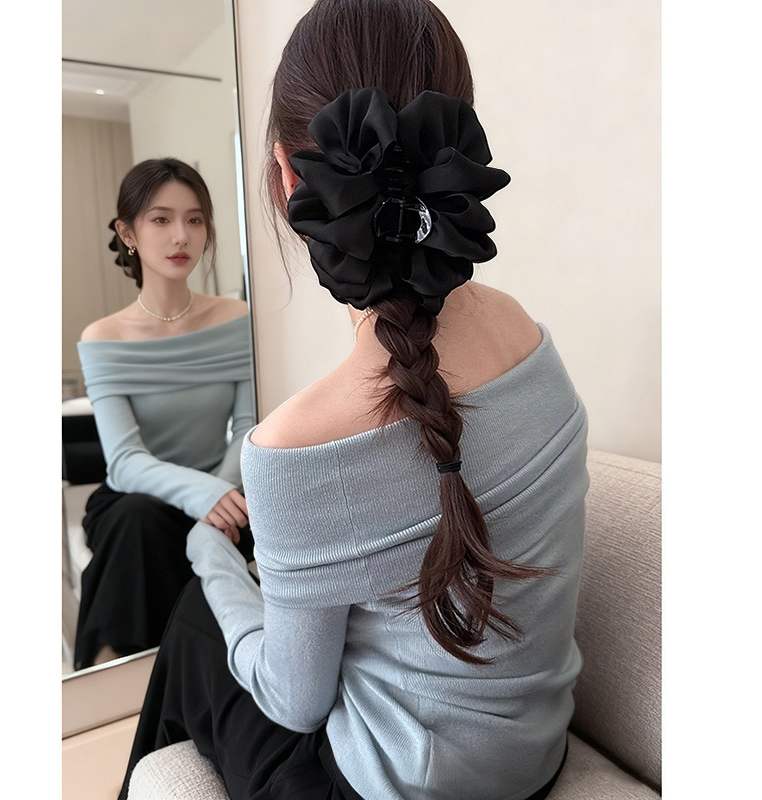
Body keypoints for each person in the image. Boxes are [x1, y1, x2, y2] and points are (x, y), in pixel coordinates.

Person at [119, 2, 589, 799]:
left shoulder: (297, 446)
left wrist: (208, 556)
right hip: (537, 762)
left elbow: (296, 704)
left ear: (288, 176)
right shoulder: (528, 336)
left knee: (201, 614)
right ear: (457, 149)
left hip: (391, 786)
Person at [73, 157, 254, 670]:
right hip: (139, 501)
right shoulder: (103, 337)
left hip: (225, 487)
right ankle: (122, 672)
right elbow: (125, 461)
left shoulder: (237, 318)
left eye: (195, 220)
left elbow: (247, 428)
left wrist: (221, 496)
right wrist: (204, 497)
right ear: (128, 233)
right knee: (138, 522)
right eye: (161, 219)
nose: (181, 235)